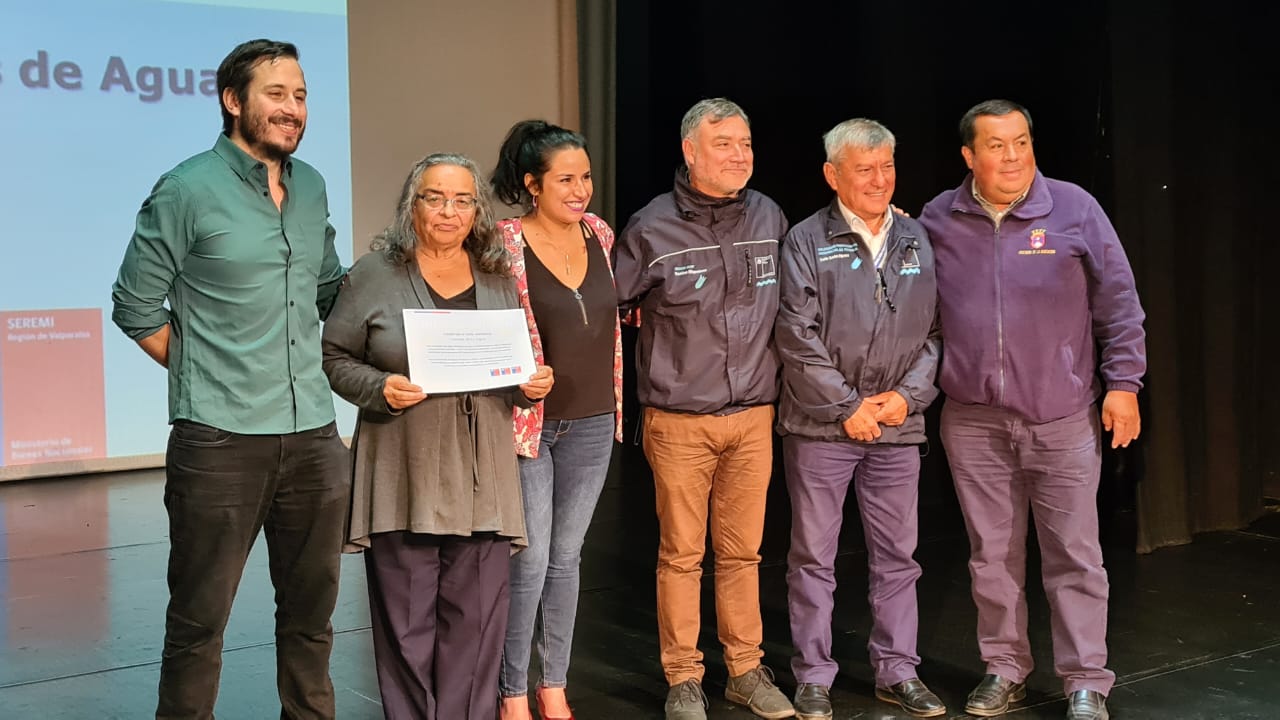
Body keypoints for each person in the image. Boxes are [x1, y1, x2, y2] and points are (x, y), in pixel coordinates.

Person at [110, 38, 350, 719]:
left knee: (311, 622)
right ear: (233, 100)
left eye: (300, 96)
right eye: (276, 94)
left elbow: (327, 290)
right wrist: (201, 369)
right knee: (198, 625)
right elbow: (134, 305)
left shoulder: (312, 188)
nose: (292, 109)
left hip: (314, 439)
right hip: (219, 441)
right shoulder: (187, 187)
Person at [919, 99, 1146, 720]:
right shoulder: (939, 218)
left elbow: (1119, 302)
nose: (1013, 155)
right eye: (996, 145)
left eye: (1021, 141)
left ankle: (1085, 681)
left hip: (1062, 417)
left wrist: (1123, 384)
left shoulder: (1073, 208)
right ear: (969, 156)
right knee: (991, 556)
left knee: (1074, 553)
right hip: (972, 421)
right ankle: (1004, 669)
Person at [321, 153, 554, 720]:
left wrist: (531, 384)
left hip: (484, 480)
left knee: (475, 631)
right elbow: (334, 355)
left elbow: (513, 368)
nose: (448, 211)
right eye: (434, 197)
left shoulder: (498, 276)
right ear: (412, 205)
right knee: (406, 625)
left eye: (462, 199)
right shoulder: (375, 273)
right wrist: (380, 387)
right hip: (405, 473)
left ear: (477, 209)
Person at [614, 98, 795, 720]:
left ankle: (746, 669)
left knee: (743, 553)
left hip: (753, 417)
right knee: (682, 554)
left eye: (745, 143)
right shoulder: (650, 227)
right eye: (724, 144)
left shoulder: (770, 214)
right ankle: (684, 678)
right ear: (690, 150)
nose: (740, 155)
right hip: (679, 420)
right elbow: (612, 305)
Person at [775, 119, 945, 719]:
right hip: (822, 428)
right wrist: (848, 407)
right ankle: (814, 676)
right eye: (864, 169)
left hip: (897, 426)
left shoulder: (917, 238)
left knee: (899, 556)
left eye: (887, 166)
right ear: (833, 175)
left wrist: (906, 398)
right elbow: (796, 337)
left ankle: (897, 670)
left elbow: (934, 333)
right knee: (814, 558)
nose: (880, 179)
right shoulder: (803, 240)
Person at [490, 120, 622, 720]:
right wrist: (514, 377)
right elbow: (486, 326)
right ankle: (512, 688)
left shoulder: (600, 232)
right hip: (530, 425)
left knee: (568, 556)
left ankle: (554, 684)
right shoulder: (503, 241)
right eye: (565, 179)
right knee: (533, 556)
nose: (580, 190)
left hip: (594, 418)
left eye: (586, 177)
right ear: (531, 184)